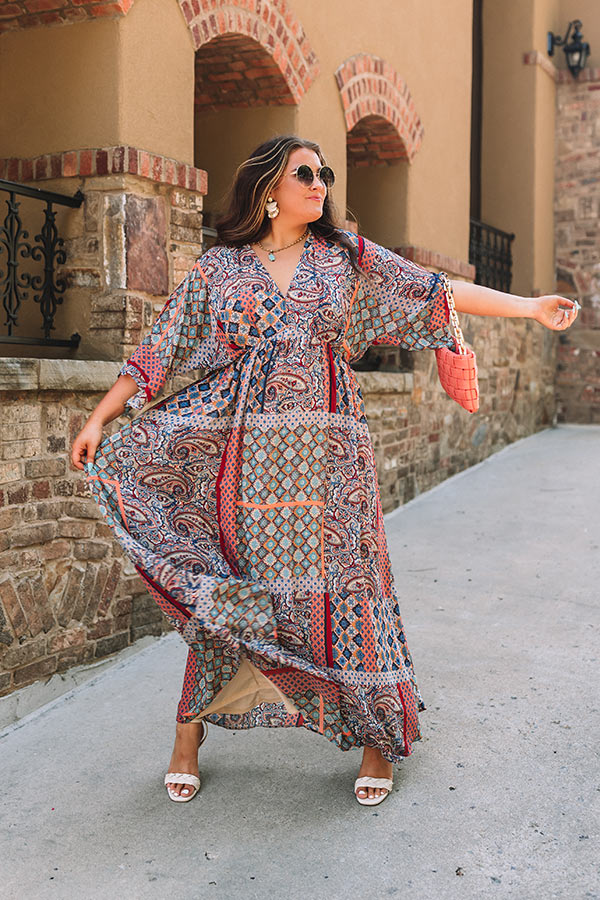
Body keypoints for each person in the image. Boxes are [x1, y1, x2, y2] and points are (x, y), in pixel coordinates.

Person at [71, 135, 579, 807]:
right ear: (267, 190)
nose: (320, 184)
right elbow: (158, 350)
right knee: (237, 590)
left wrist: (530, 306)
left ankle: (377, 740)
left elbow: (436, 291)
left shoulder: (343, 259)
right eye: (305, 174)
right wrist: (101, 417)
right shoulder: (221, 269)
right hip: (250, 463)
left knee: (350, 585)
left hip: (334, 459)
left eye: (324, 174)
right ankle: (187, 736)